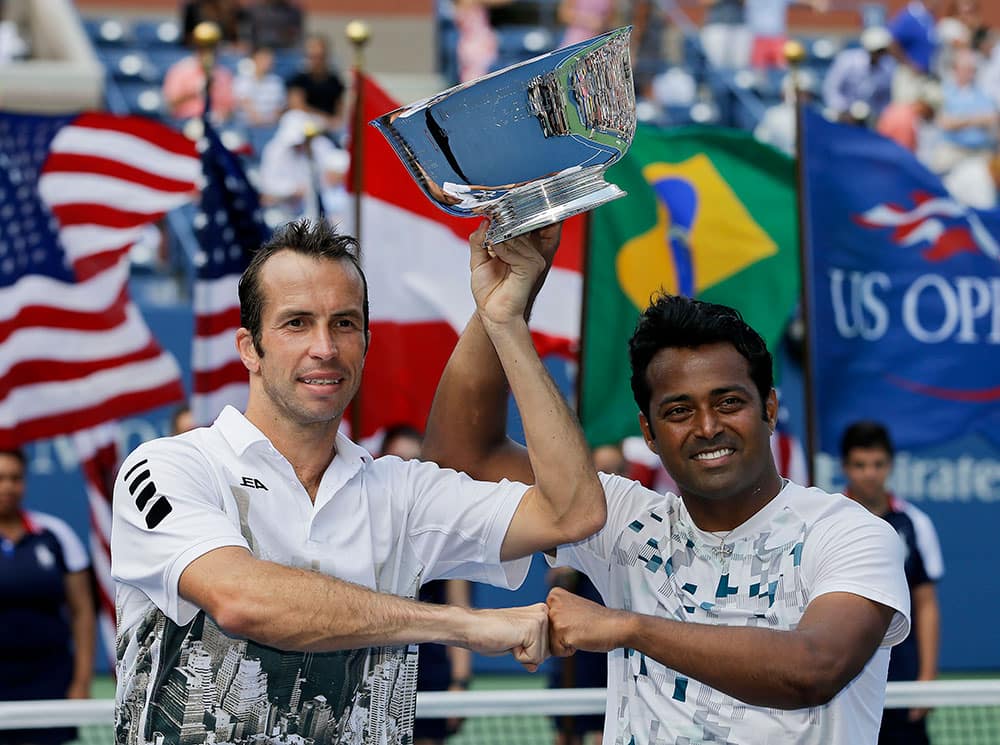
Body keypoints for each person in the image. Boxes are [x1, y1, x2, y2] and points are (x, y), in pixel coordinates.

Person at [110, 219, 606, 745]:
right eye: (296, 323)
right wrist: (460, 624)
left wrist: (503, 319)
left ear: (366, 343)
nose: (324, 348)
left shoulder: (401, 491)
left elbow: (572, 512)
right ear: (249, 347)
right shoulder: (169, 467)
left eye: (344, 324)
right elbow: (239, 599)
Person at [423, 230, 911, 744]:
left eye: (728, 402)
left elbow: (814, 668)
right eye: (679, 411)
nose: (706, 427)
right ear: (650, 433)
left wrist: (628, 627)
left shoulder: (848, 532)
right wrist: (501, 317)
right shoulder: (624, 522)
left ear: (769, 409)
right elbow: (466, 459)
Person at [840, 422, 944, 745]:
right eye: (860, 465)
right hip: (843, 682)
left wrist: (925, 679)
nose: (869, 474)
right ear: (844, 467)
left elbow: (925, 604)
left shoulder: (915, 523)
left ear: (890, 465)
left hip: (901, 682)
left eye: (877, 464)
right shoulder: (827, 521)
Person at [378, 424, 473, 745]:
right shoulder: (363, 528)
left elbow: (459, 607)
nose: (404, 470)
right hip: (375, 669)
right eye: (397, 460)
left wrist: (460, 682)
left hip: (429, 669)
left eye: (413, 462)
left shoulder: (441, 537)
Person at [0, 449, 95, 745]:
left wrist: (80, 683)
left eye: (15, 478)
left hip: (49, 679)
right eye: (0, 478)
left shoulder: (55, 535)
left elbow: (82, 612)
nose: (8, 487)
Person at [547, 443, 625, 745]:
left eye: (614, 470)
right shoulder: (573, 529)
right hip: (575, 662)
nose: (607, 478)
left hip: (616, 661)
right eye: (600, 471)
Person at [822, 26, 896, 121]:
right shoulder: (847, 60)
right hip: (842, 113)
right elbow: (831, 88)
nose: (880, 54)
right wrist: (844, 110)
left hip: (871, 117)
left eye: (883, 51)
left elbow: (885, 98)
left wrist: (877, 114)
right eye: (878, 50)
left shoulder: (888, 67)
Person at [286, 34, 345, 134]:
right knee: (293, 118)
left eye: (319, 56)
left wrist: (332, 121)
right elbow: (296, 106)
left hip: (328, 127)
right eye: (312, 56)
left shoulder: (334, 81)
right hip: (306, 123)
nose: (316, 60)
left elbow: (339, 110)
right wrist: (324, 118)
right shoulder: (299, 79)